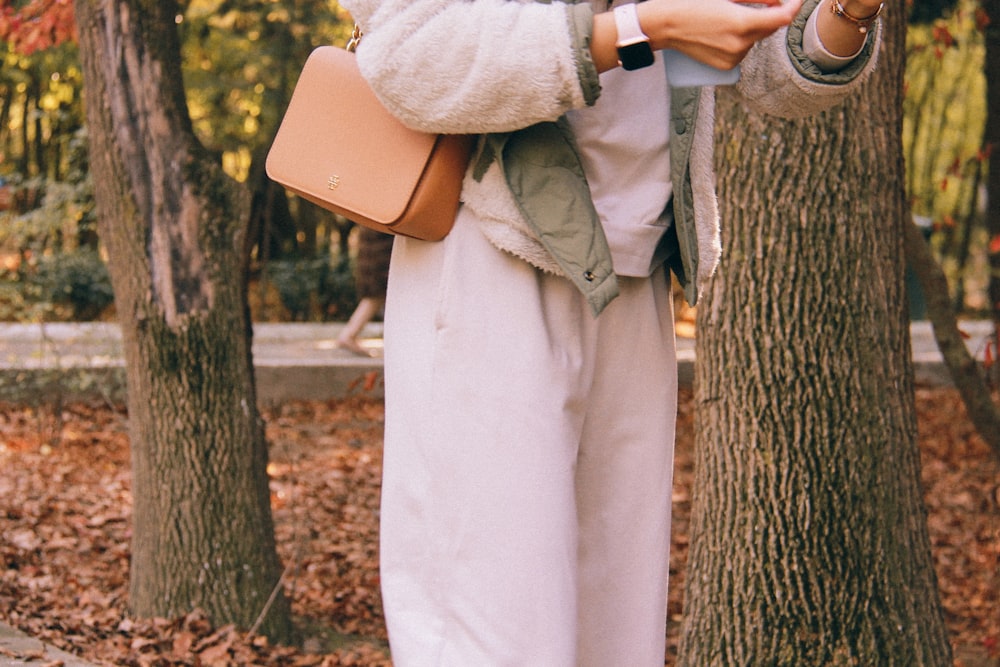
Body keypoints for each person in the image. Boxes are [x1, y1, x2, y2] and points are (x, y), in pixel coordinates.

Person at [339, 0, 885, 662]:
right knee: (489, 629)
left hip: (636, 268)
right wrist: (644, 29)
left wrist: (847, 14)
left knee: (617, 639)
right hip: (491, 256)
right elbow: (411, 58)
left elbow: (763, 64)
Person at [336, 225, 393, 357]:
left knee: (375, 297)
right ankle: (348, 335)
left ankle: (349, 334)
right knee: (376, 296)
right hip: (382, 249)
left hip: (375, 246)